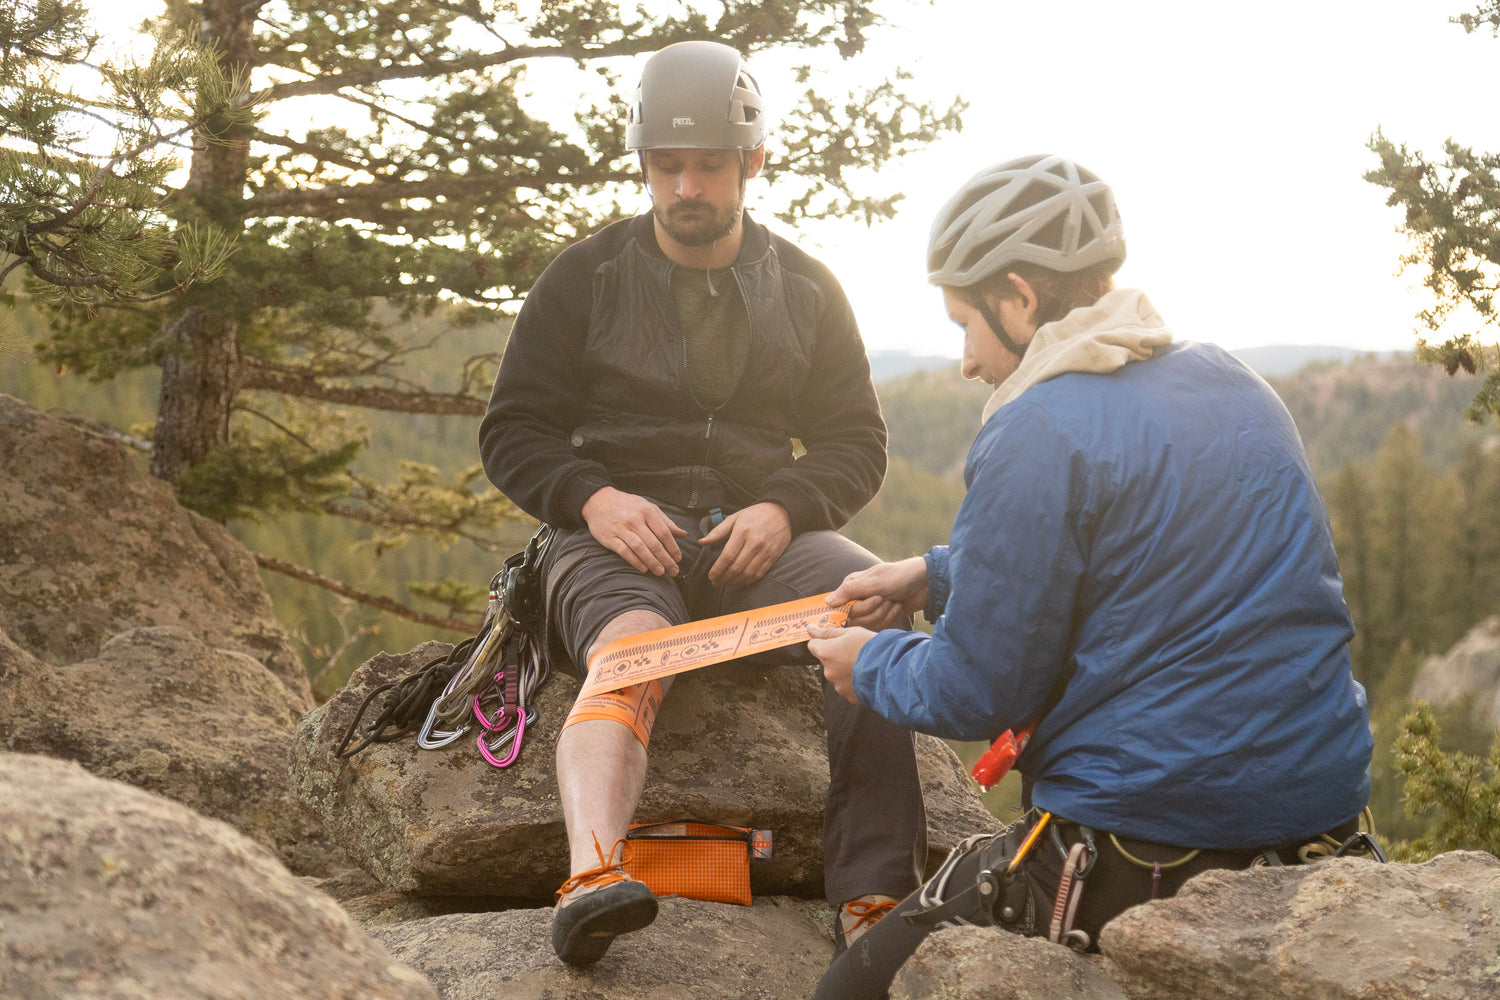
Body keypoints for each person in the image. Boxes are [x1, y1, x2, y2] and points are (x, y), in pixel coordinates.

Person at [805, 154, 1376, 998]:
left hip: (1144, 838)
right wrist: (931, 576)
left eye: (966, 322)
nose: (965, 360)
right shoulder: (1233, 381)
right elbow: (1138, 563)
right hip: (1322, 822)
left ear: (1020, 297)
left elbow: (974, 690)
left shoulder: (1038, 425)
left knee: (849, 991)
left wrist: (868, 664)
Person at [478, 40, 925, 967]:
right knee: (633, 656)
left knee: (873, 612)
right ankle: (593, 877)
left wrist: (786, 506)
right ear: (644, 164)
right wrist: (591, 498)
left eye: (708, 165)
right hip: (613, 544)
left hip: (761, 546)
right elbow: (513, 430)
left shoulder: (807, 288)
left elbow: (856, 442)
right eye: (666, 165)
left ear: (751, 163)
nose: (686, 185)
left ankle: (876, 895)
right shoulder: (583, 278)